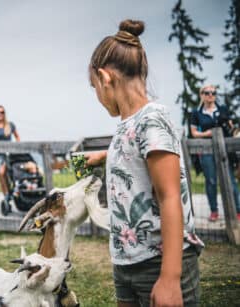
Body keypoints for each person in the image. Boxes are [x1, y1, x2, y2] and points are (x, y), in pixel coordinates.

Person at [84, 20, 204, 307]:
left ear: (105, 78)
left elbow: (169, 195)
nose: (98, 98)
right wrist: (103, 156)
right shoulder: (129, 124)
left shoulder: (152, 120)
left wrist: (170, 278)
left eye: (94, 88)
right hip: (126, 261)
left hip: (159, 262)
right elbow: (134, 154)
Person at [190, 85, 240, 222]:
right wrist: (208, 133)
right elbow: (194, 133)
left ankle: (238, 211)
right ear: (201, 95)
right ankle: (214, 211)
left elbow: (231, 127)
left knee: (230, 180)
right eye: (207, 93)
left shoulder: (223, 109)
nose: (211, 95)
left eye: (213, 92)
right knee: (211, 181)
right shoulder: (196, 113)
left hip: (225, 150)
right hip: (207, 150)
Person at [0, 105, 20, 196]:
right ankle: (6, 194)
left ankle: (12, 191)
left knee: (5, 172)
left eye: (2, 112)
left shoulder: (10, 125)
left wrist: (16, 147)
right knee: (0, 175)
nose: (0, 114)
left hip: (8, 154)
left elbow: (17, 137)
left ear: (4, 114)